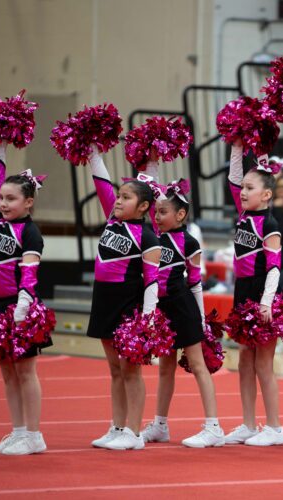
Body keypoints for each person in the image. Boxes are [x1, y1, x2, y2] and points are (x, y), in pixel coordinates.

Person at [139, 178, 225, 448]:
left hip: (183, 307)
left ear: (180, 214)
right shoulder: (154, 238)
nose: (157, 216)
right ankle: (160, 425)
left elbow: (196, 283)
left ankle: (214, 427)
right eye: (156, 212)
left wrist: (201, 319)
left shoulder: (188, 242)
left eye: (163, 212)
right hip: (163, 309)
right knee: (165, 368)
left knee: (198, 366)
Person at [86, 149, 161, 450]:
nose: (118, 200)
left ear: (143, 206)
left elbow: (152, 281)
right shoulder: (111, 220)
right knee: (114, 370)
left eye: (126, 197)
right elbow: (100, 182)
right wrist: (92, 152)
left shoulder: (148, 237)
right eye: (118, 195)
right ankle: (116, 426)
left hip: (129, 306)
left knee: (131, 370)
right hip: (103, 301)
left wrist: (147, 319)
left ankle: (134, 432)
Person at [0, 141, 51, 455]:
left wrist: (23, 306)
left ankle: (35, 435)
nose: (3, 202)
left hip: (19, 306)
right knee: (7, 372)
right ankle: (18, 430)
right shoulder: (0, 222)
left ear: (28, 203)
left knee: (26, 371)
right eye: (1, 198)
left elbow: (30, 273)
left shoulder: (30, 232)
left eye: (11, 199)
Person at [222, 144, 283, 446]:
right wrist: (236, 146)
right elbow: (234, 177)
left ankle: (274, 427)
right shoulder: (243, 214)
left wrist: (266, 301)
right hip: (242, 290)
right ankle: (248, 423)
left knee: (263, 363)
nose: (243, 192)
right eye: (243, 188)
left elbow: (274, 267)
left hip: (263, 294)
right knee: (245, 360)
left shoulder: (270, 225)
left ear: (267, 195)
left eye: (250, 188)